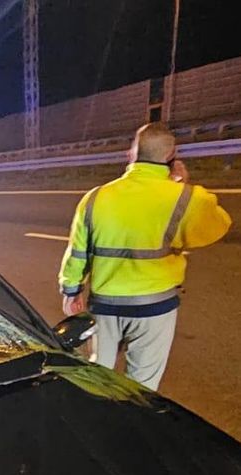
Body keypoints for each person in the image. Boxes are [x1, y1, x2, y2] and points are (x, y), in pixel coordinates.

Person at [57, 122, 232, 390]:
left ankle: (93, 420)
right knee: (142, 386)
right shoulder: (186, 198)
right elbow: (218, 225)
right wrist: (183, 184)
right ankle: (130, 426)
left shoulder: (95, 198)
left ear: (131, 155)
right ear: (172, 156)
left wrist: (71, 291)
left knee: (96, 375)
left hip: (104, 305)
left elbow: (77, 251)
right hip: (155, 308)